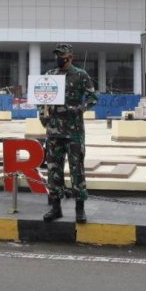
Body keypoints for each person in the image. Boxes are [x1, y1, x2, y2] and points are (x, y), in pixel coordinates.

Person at [40, 44, 98, 223]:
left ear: (70, 57)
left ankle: (80, 209)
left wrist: (80, 108)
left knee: (77, 170)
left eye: (62, 55)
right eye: (56, 55)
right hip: (54, 131)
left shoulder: (81, 75)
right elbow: (41, 98)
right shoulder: (49, 75)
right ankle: (55, 208)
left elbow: (92, 97)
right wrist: (42, 114)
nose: (59, 58)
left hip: (74, 131)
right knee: (53, 170)